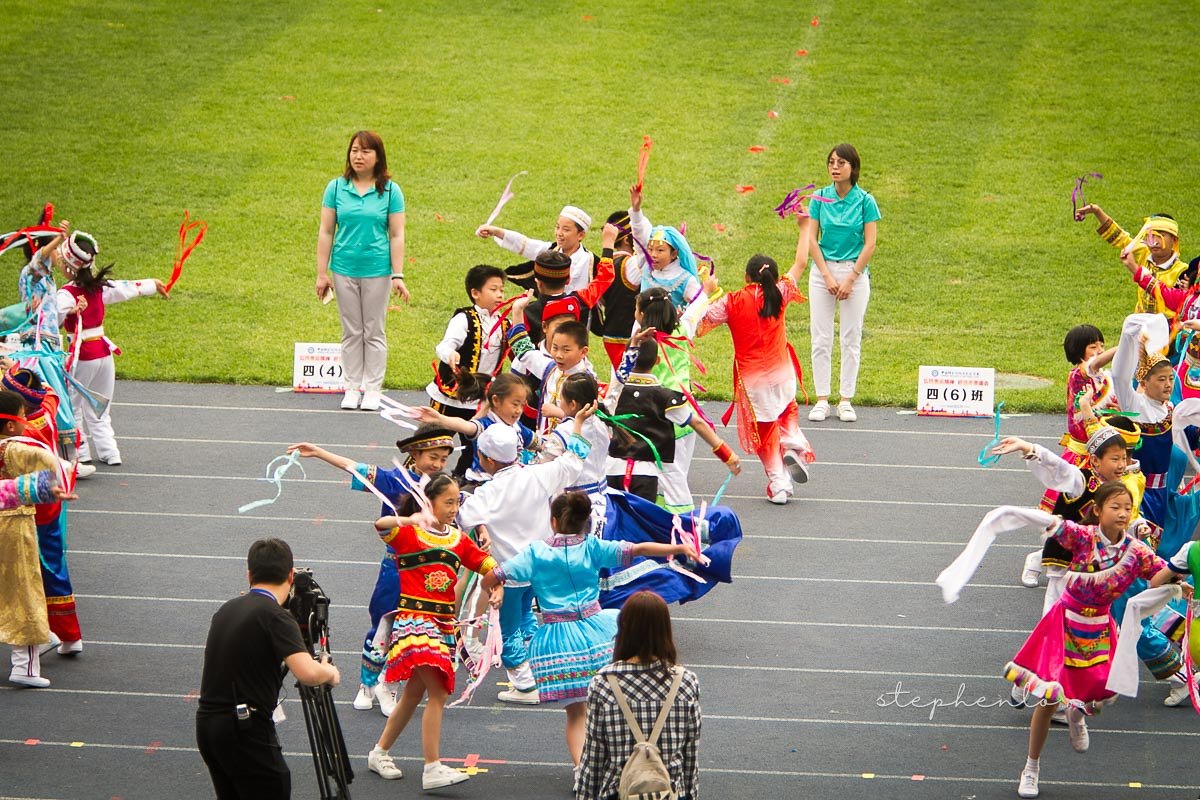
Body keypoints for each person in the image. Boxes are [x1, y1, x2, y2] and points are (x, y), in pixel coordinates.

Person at [481, 493, 699, 767]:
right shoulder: (593, 547)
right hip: (599, 633)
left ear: (553, 521)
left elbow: (494, 575)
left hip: (559, 639)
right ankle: (627, 759)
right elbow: (638, 549)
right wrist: (677, 549)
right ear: (586, 522)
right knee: (615, 701)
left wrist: (493, 588)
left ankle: (580, 771)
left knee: (576, 713)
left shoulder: (536, 553)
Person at [287, 424, 456, 716]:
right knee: (383, 624)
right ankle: (367, 682)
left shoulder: (443, 486)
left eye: (443, 458)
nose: (438, 464)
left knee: (416, 630)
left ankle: (389, 685)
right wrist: (318, 452)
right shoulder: (394, 481)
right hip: (396, 566)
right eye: (433, 456)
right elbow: (352, 467)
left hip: (429, 571)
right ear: (415, 453)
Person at [366, 473, 502, 790]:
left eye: (457, 502)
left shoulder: (457, 539)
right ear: (430, 503)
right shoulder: (408, 534)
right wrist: (409, 518)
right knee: (439, 690)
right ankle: (432, 767)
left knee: (414, 694)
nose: (454, 509)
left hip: (442, 625)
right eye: (448, 502)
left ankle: (379, 752)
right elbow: (381, 525)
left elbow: (489, 565)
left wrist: (498, 587)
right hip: (415, 623)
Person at [457, 411, 595, 704]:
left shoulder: (490, 491)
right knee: (526, 618)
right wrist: (579, 425)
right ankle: (538, 668)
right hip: (540, 566)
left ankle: (524, 683)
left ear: (487, 460)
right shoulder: (537, 474)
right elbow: (573, 461)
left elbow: (462, 517)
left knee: (507, 628)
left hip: (510, 572)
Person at [195, 538, 340, 800]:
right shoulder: (276, 616)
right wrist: (329, 672)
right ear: (291, 575)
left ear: (249, 574)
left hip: (208, 727)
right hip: (245, 729)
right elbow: (307, 673)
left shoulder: (226, 609)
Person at [696, 215, 816, 505]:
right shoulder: (781, 292)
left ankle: (779, 484)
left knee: (764, 432)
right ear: (773, 277)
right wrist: (805, 228)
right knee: (787, 412)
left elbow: (699, 321)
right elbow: (800, 263)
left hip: (754, 382)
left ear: (747, 277)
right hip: (783, 372)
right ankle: (794, 445)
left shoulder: (732, 302)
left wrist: (705, 291)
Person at [575, 590, 701, 800]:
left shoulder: (604, 683)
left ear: (623, 629)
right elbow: (690, 754)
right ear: (665, 630)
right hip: (668, 792)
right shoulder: (686, 682)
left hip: (620, 791)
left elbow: (593, 756)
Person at [315, 130, 408, 412]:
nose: (359, 156)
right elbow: (326, 230)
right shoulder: (335, 188)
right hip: (343, 268)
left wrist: (397, 274)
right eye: (355, 150)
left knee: (374, 330)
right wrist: (322, 273)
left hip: (377, 269)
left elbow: (397, 234)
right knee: (352, 330)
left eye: (366, 151)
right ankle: (352, 386)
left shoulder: (391, 191)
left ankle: (373, 389)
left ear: (377, 157)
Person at [58, 260, 168, 466]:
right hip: (103, 352)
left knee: (74, 406)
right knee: (101, 405)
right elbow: (125, 288)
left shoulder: (65, 294)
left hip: (82, 356)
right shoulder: (98, 287)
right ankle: (109, 451)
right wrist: (152, 284)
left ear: (69, 268)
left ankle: (81, 453)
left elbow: (52, 319)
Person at [605, 339, 740, 504]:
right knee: (643, 524)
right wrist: (727, 454)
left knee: (613, 523)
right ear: (657, 361)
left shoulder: (613, 394)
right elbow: (697, 423)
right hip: (645, 475)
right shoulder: (664, 397)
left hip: (611, 470)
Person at [0, 389, 72, 688]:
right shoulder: (17, 449)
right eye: (22, 417)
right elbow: (50, 462)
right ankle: (25, 667)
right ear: (11, 425)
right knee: (24, 590)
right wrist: (48, 486)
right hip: (13, 527)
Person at [806, 143, 881, 424]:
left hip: (855, 272)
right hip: (822, 271)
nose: (835, 168)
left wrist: (851, 278)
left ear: (853, 167)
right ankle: (822, 398)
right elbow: (812, 239)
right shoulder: (820, 198)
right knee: (821, 337)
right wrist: (826, 275)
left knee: (851, 337)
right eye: (831, 162)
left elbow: (870, 243)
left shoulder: (865, 201)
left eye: (841, 163)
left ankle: (846, 399)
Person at [426, 264, 510, 475]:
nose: (499, 294)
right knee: (432, 445)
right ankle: (411, 483)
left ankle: (459, 483)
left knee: (477, 449)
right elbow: (444, 345)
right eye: (493, 289)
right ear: (475, 293)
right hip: (451, 396)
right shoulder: (464, 318)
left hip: (480, 400)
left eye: (501, 289)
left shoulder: (505, 323)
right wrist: (450, 355)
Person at [1075, 203, 1185, 317]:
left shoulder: (1183, 271)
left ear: (1174, 240)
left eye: (1162, 235)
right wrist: (1097, 211)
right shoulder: (1144, 252)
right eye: (1151, 236)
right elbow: (1120, 237)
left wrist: (1135, 269)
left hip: (1166, 330)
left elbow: (1176, 303)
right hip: (1140, 324)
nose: (1155, 242)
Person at [477, 204, 596, 294]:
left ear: (581, 235)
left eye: (566, 229)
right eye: (557, 227)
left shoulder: (590, 261)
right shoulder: (552, 251)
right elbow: (526, 244)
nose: (559, 233)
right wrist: (497, 232)